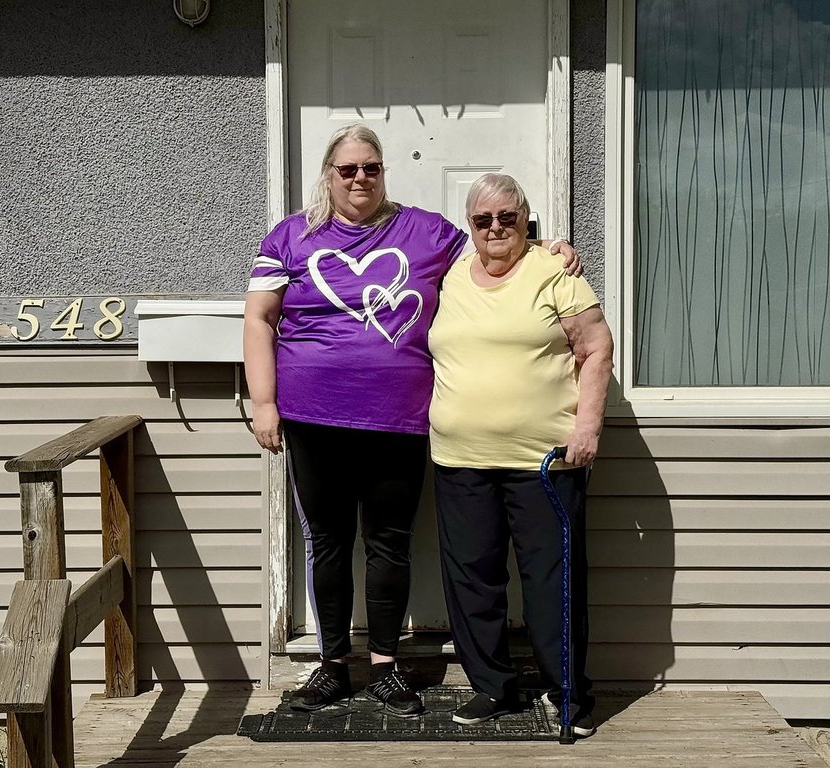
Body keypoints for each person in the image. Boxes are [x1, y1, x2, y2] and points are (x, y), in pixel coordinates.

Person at [243, 125, 581, 717]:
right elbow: (259, 321)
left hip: (397, 420)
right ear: (329, 174)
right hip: (313, 417)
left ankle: (384, 667)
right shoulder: (290, 237)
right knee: (327, 542)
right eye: (347, 169)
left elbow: (495, 244)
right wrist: (264, 402)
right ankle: (330, 665)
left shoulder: (426, 232)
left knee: (389, 545)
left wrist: (549, 245)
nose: (359, 179)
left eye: (371, 168)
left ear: (383, 172)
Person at [428, 172, 614, 736]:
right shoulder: (450, 275)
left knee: (549, 581)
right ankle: (492, 689)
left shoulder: (554, 271)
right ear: (470, 225)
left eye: (507, 217)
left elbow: (596, 347)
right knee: (472, 581)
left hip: (544, 460)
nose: (495, 229)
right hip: (459, 458)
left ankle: (569, 695)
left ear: (525, 219)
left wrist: (588, 428)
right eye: (483, 220)